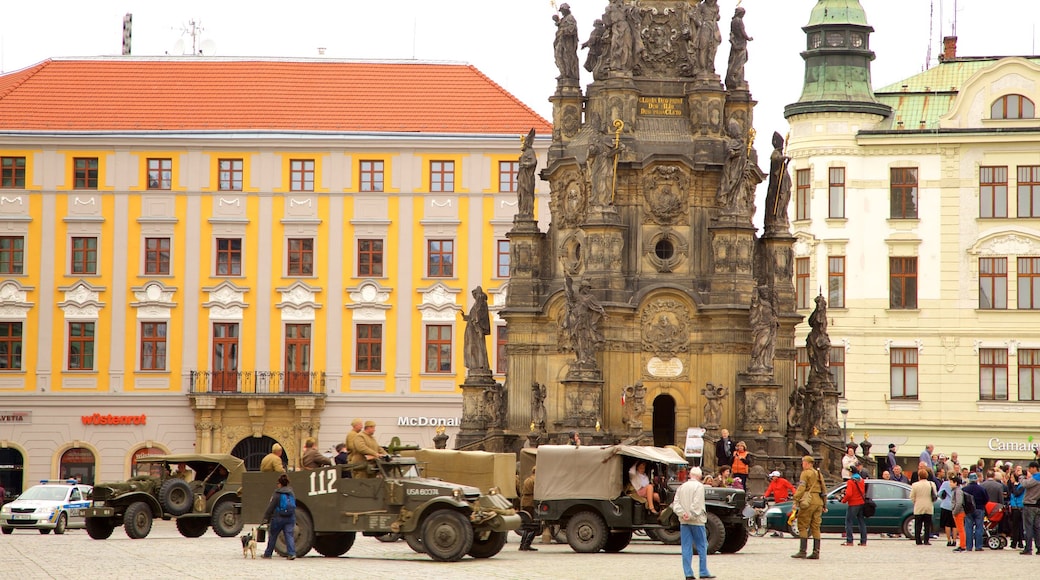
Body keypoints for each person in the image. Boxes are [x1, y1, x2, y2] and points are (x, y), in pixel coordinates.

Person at [672, 466, 714, 580]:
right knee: (702, 545)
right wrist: (690, 514)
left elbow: (676, 504)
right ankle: (703, 571)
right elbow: (697, 504)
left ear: (690, 475)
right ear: (700, 476)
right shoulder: (699, 487)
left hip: (683, 521)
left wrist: (682, 514)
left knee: (686, 547)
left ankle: (688, 573)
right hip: (697, 521)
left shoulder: (681, 487)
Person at [791, 455, 826, 560]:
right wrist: (824, 504)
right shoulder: (818, 473)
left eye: (803, 462)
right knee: (816, 527)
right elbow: (824, 489)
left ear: (807, 463)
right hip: (818, 501)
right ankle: (816, 552)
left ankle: (802, 551)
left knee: (802, 525)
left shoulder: (805, 473)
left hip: (808, 501)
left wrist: (796, 500)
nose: (802, 464)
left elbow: (801, 488)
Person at [260, 473, 296, 560]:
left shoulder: (277, 494)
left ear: (280, 484)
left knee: (273, 536)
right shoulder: (291, 493)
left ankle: (268, 554)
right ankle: (291, 553)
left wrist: (265, 518)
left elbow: (271, 507)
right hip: (290, 517)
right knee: (289, 535)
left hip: (278, 518)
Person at [462, 286, 491, 374]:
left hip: (476, 329)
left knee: (477, 346)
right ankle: (475, 365)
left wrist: (477, 325)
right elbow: (472, 317)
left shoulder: (482, 304)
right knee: (472, 347)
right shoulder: (476, 305)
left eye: (475, 295)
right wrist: (465, 317)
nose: (474, 296)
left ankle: (480, 364)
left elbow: (481, 317)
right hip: (472, 329)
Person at [1016, 460, 1040, 555]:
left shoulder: (1036, 477)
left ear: (1034, 468)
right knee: (1037, 527)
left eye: (1030, 468)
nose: (1029, 470)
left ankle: (1028, 548)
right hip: (1038, 505)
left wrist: (1020, 477)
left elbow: (1025, 484)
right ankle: (1039, 547)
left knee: (1028, 527)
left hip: (1030, 504)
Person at [763, 470, 795, 537]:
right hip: (777, 501)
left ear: (776, 477)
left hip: (783, 501)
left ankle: (780, 531)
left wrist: (795, 494)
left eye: (773, 476)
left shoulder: (783, 481)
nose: (772, 478)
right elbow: (769, 490)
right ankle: (777, 531)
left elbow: (791, 487)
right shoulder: (772, 483)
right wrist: (764, 496)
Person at [552, 3, 579, 81]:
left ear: (566, 10)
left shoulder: (570, 17)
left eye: (563, 10)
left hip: (567, 42)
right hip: (561, 40)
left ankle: (568, 73)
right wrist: (557, 20)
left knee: (567, 57)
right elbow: (561, 25)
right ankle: (563, 73)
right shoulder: (564, 18)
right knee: (559, 55)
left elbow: (572, 29)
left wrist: (564, 31)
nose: (562, 12)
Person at [841, 466, 867, 546]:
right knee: (861, 522)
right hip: (861, 503)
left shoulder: (851, 481)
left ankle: (849, 541)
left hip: (853, 504)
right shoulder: (861, 480)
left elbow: (849, 494)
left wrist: (844, 500)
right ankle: (863, 541)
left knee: (848, 522)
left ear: (851, 472)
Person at [910, 468, 937, 545]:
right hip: (928, 506)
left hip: (918, 506)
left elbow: (912, 496)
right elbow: (935, 494)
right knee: (927, 524)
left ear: (919, 476)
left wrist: (915, 501)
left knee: (918, 524)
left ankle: (918, 540)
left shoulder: (915, 485)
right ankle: (926, 540)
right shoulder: (932, 484)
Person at [962, 472, 988, 551]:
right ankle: (978, 546)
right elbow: (986, 499)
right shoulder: (982, 489)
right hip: (979, 509)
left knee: (968, 528)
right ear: (976, 479)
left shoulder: (964, 489)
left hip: (968, 510)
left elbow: (962, 500)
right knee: (979, 528)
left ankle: (968, 546)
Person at [516, 129, 537, 219]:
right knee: (521, 194)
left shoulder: (530, 152)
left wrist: (525, 164)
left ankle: (527, 211)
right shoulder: (525, 153)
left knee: (526, 193)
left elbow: (534, 161)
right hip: (522, 175)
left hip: (527, 176)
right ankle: (522, 210)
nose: (522, 145)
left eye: (524, 143)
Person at [519, 467, 538, 551]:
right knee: (534, 525)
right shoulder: (535, 480)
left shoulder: (527, 479)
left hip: (524, 502)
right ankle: (527, 544)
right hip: (531, 502)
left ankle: (522, 544)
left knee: (527, 524)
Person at [937, 473, 956, 546]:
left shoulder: (945, 483)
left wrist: (943, 497)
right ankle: (954, 540)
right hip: (954, 505)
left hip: (946, 505)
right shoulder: (956, 483)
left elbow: (939, 493)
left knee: (947, 524)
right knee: (954, 525)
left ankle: (949, 540)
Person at [950, 475, 967, 552]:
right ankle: (962, 544)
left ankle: (962, 545)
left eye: (951, 482)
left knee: (961, 530)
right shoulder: (956, 490)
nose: (950, 483)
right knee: (960, 529)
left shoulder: (958, 491)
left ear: (955, 483)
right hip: (958, 512)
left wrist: (954, 511)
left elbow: (959, 502)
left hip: (959, 512)